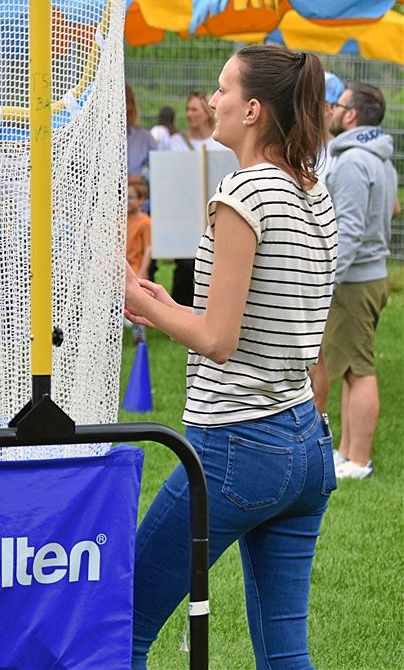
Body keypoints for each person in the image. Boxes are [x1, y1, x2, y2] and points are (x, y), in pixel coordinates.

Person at [124, 45, 337, 669]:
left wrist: (136, 298)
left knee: (123, 622)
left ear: (252, 110)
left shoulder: (242, 191)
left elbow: (218, 340)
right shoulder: (310, 187)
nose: (209, 101)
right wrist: (166, 303)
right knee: (285, 652)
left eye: (221, 90)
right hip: (305, 445)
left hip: (238, 446)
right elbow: (262, 320)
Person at [311, 82, 396, 480]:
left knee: (358, 369)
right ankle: (346, 452)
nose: (330, 109)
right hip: (369, 276)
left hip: (354, 281)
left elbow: (348, 231)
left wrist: (325, 281)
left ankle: (358, 459)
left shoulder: (350, 162)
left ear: (352, 116)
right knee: (348, 367)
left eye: (337, 105)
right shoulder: (379, 158)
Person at [166, 91, 229, 307]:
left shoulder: (221, 142)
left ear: (206, 112)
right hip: (185, 211)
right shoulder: (175, 141)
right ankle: (180, 309)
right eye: (187, 109)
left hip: (214, 209)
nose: (189, 114)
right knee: (185, 263)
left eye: (194, 109)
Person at [126, 176, 152, 345]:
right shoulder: (119, 218)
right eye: (125, 196)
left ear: (141, 200)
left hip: (135, 269)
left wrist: (143, 270)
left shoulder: (145, 222)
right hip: (119, 269)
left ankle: (139, 335)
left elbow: (149, 248)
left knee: (136, 304)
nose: (127, 201)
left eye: (131, 197)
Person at [126, 85, 156, 180]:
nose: (126, 107)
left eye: (129, 101)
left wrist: (142, 177)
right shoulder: (94, 140)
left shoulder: (145, 138)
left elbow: (159, 170)